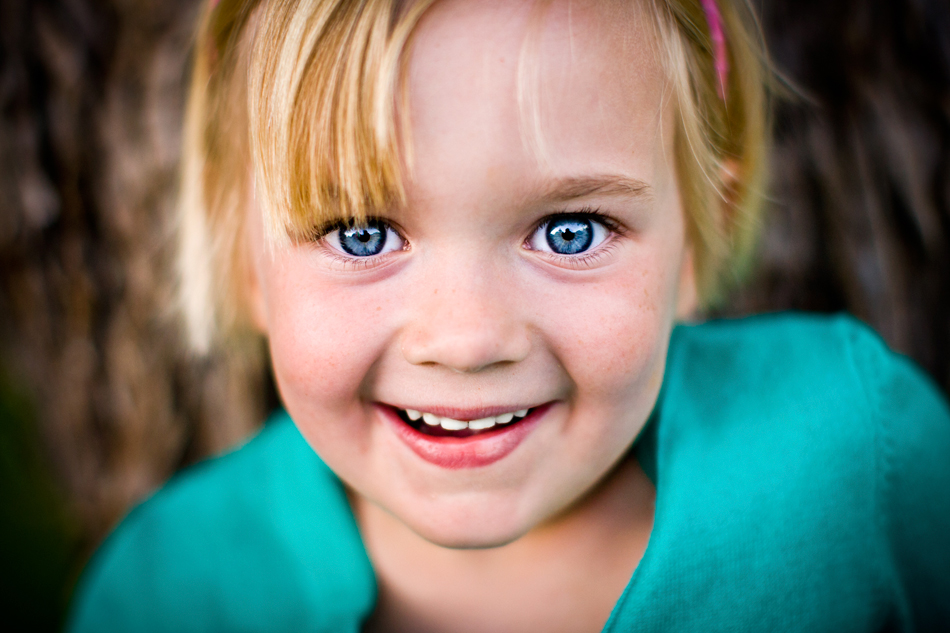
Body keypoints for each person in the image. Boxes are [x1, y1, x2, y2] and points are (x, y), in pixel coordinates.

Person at [66, 0, 950, 631]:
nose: (468, 339)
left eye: (570, 232)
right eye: (363, 233)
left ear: (697, 239)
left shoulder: (851, 462)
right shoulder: (168, 588)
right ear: (246, 264)